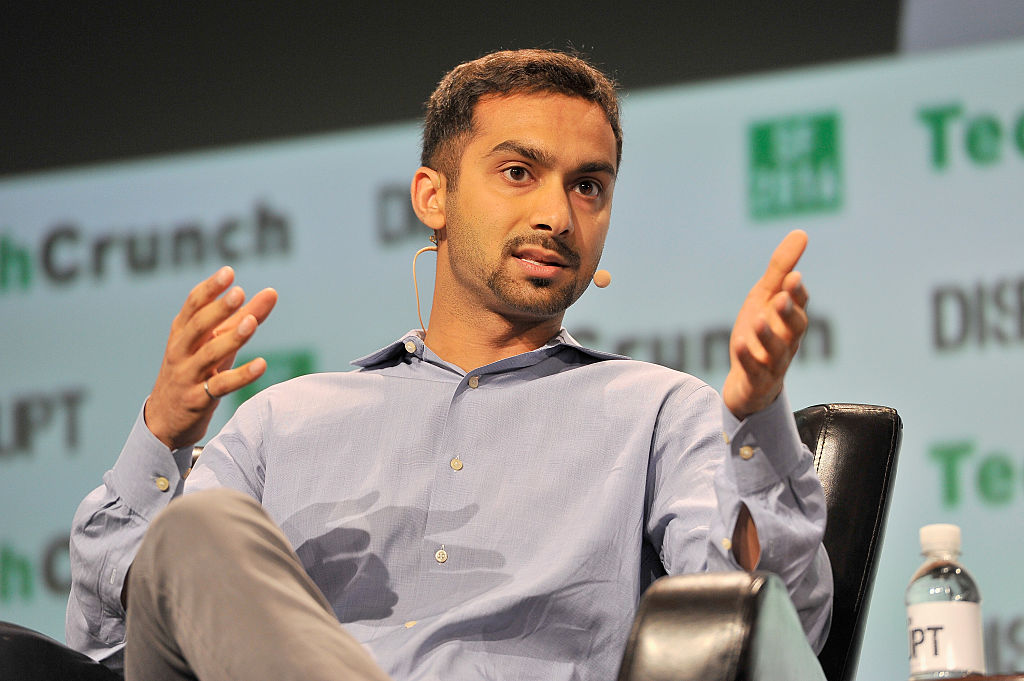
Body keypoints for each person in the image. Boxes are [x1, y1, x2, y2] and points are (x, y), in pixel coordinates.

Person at [66, 49, 832, 681]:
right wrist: (162, 433)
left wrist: (756, 413)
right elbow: (106, 654)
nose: (557, 217)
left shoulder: (658, 410)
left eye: (588, 187)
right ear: (433, 197)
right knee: (200, 527)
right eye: (518, 173)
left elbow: (782, 642)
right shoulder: (282, 423)